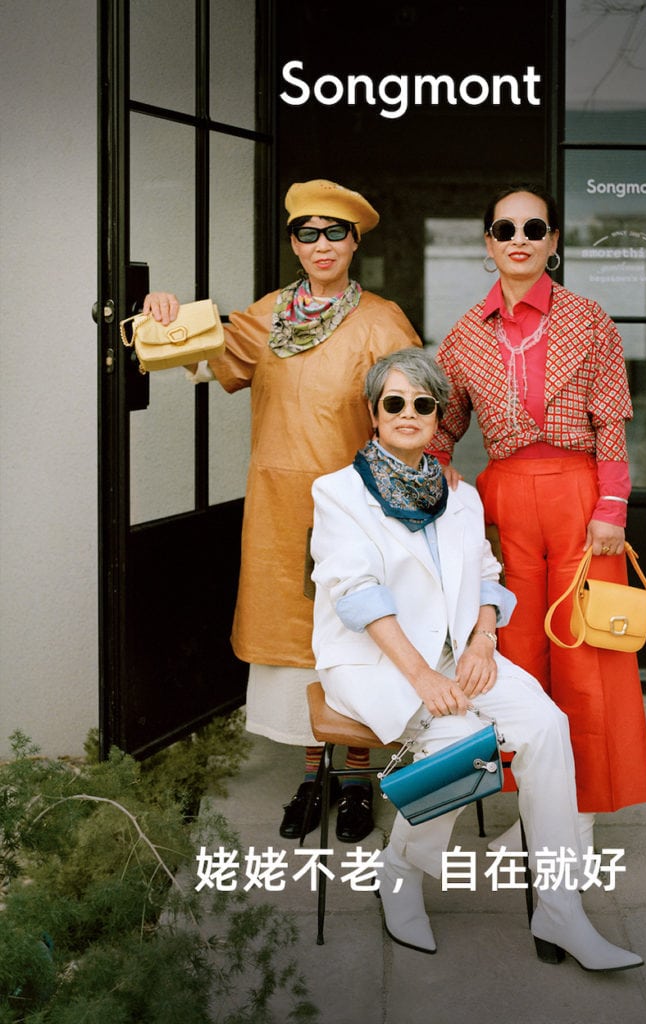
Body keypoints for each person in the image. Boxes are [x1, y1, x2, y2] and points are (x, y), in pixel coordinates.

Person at [309, 348, 643, 970]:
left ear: (440, 417)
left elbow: (488, 574)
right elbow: (357, 595)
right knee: (463, 743)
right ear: (374, 414)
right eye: (394, 403)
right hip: (377, 661)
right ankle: (399, 869)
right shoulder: (338, 493)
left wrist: (484, 638)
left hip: (460, 655)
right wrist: (421, 676)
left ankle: (561, 908)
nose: (409, 414)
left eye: (423, 404)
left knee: (548, 726)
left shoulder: (459, 496)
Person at [143, 179, 421, 843]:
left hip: (358, 507)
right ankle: (312, 773)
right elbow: (202, 354)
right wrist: (161, 313)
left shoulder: (382, 320)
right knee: (295, 643)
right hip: (278, 509)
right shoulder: (267, 315)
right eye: (307, 233)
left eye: (335, 232)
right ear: (294, 244)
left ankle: (356, 777)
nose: (322, 244)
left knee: (357, 634)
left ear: (354, 242)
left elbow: (416, 410)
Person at [428, 184, 646, 853]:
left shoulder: (589, 319)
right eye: (505, 229)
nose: (520, 239)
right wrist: (437, 469)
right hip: (506, 505)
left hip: (581, 501)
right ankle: (535, 815)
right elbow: (442, 424)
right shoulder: (465, 334)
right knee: (515, 656)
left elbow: (611, 427)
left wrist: (612, 506)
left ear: (553, 241)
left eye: (535, 228)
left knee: (586, 656)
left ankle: (576, 820)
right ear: (489, 243)